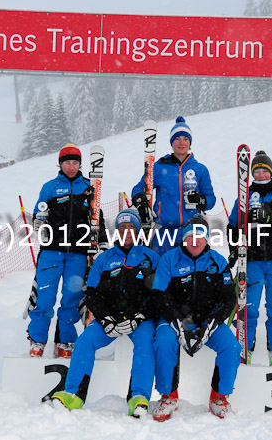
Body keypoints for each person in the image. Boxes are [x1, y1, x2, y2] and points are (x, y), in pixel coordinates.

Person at [52, 208, 159, 418]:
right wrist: (105, 319)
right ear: (117, 231)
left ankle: (138, 397)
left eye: (131, 227)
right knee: (85, 342)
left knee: (145, 344)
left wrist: (140, 316)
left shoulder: (151, 257)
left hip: (140, 319)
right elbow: (92, 294)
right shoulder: (105, 258)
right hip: (109, 319)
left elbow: (159, 293)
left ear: (137, 230)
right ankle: (73, 394)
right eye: (122, 227)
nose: (127, 231)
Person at [151, 214, 241, 420]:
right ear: (183, 238)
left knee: (232, 347)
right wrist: (175, 318)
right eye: (190, 235)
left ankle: (219, 397)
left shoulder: (217, 262)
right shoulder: (169, 259)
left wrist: (213, 320)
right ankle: (168, 395)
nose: (195, 240)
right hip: (173, 319)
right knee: (164, 344)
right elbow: (158, 294)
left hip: (207, 320)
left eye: (200, 235)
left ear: (207, 238)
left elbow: (229, 299)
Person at [26, 143, 107, 358]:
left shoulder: (90, 188)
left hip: (79, 253)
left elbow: (98, 218)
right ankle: (37, 341)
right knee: (44, 298)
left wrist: (103, 244)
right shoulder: (50, 187)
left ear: (80, 164)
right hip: (52, 251)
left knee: (71, 300)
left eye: (75, 162)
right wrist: (38, 224)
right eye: (67, 162)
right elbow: (38, 214)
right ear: (60, 164)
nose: (71, 167)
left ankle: (65, 342)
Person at [227, 150, 272, 366]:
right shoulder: (244, 197)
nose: (259, 175)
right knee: (247, 306)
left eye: (263, 171)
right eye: (256, 171)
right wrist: (233, 249)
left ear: (271, 172)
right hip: (252, 260)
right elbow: (232, 226)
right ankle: (245, 347)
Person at [131, 116, 216, 255]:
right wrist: (140, 201)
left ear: (190, 142)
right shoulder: (159, 167)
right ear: (172, 142)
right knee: (161, 271)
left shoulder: (200, 169)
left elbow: (211, 200)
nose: (181, 143)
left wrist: (200, 200)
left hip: (191, 231)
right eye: (177, 139)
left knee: (189, 273)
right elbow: (139, 188)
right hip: (164, 231)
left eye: (185, 139)